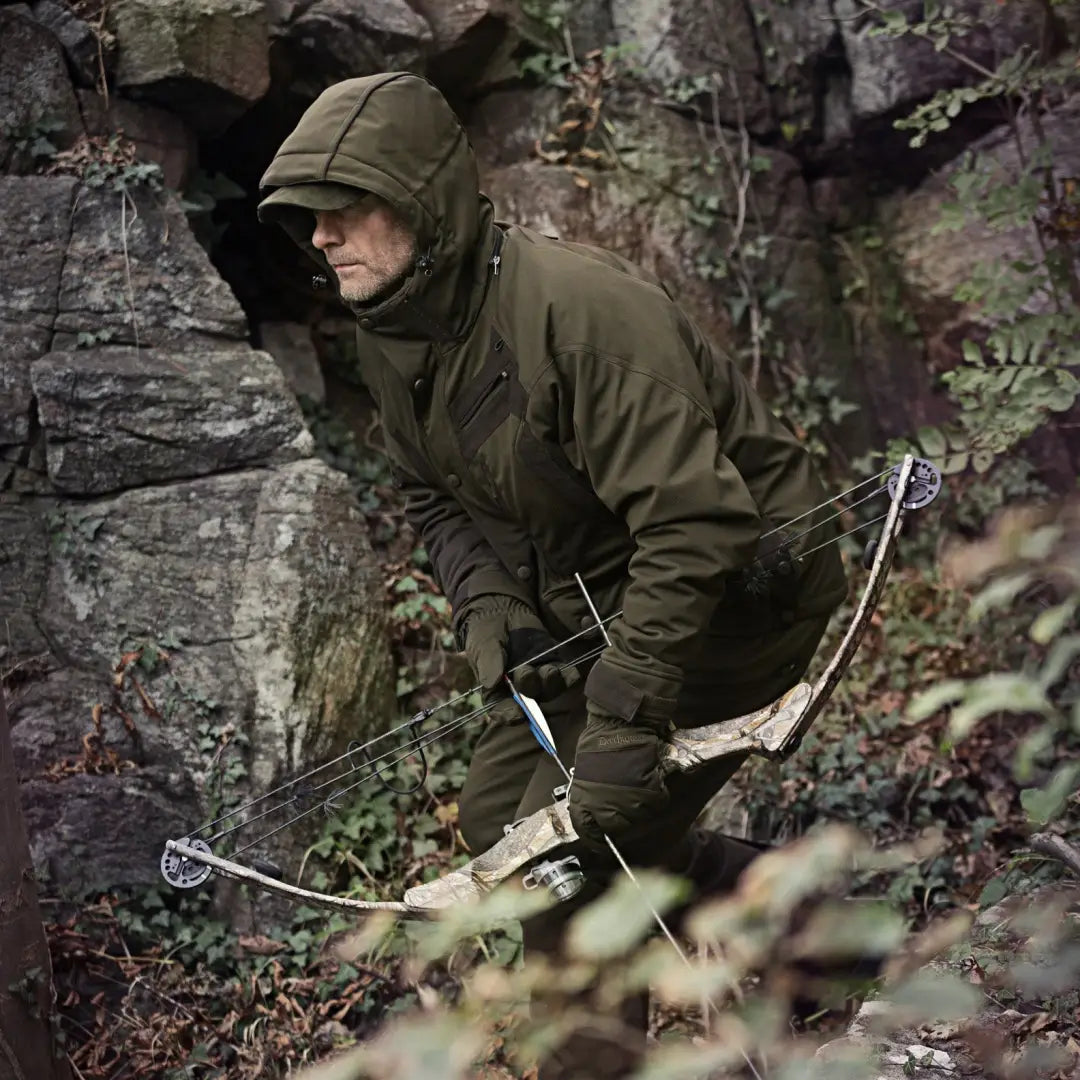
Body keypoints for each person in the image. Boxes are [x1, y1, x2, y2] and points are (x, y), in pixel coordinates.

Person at [258, 71, 849, 1077]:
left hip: (738, 595)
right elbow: (432, 498)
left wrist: (623, 725)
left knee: (569, 860)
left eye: (344, 207)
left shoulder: (580, 315)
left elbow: (698, 524)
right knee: (501, 823)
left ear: (420, 200)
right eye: (307, 217)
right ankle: (816, 929)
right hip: (588, 604)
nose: (320, 237)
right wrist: (493, 607)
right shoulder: (394, 336)